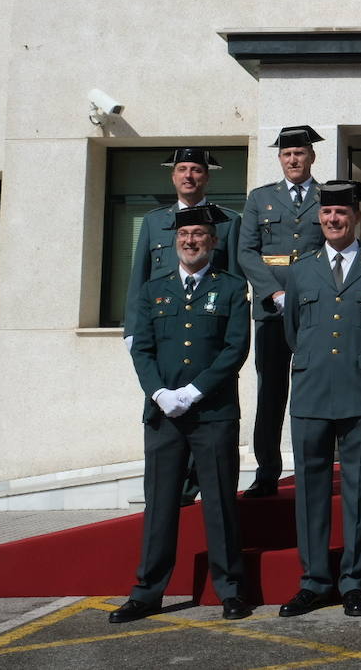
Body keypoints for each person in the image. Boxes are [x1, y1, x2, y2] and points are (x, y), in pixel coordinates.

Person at [111, 204, 250, 624]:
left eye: (200, 235)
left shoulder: (230, 289)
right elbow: (142, 348)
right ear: (176, 242)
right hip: (164, 415)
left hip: (213, 413)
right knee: (161, 504)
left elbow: (235, 349)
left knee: (221, 504)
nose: (191, 241)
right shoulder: (154, 290)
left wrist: (194, 391)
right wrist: (158, 392)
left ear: (213, 242)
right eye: (185, 235)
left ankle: (231, 590)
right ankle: (147, 592)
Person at [277, 181, 361, 619]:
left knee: (359, 490)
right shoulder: (300, 270)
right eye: (327, 213)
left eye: (342, 214)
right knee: (310, 491)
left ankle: (354, 581)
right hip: (311, 391)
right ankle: (313, 581)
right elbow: (293, 330)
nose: (334, 220)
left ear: (355, 218)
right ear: (319, 218)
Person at [123, 147, 241, 506]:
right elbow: (139, 276)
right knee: (166, 421)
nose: (188, 176)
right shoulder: (153, 221)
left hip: (208, 334)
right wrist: (132, 330)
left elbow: (233, 276)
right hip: (162, 334)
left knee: (206, 416)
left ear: (207, 177)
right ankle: (178, 492)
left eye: (196, 170)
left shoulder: (227, 220)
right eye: (182, 170)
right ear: (173, 176)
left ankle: (195, 486)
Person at [237, 125, 326, 499]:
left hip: (314, 310)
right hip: (271, 311)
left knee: (312, 393)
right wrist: (273, 292)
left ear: (311, 157)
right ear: (279, 159)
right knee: (271, 393)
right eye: (287, 154)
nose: (294, 160)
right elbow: (246, 251)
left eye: (300, 153)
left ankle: (311, 468)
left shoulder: (327, 196)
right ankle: (267, 472)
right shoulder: (261, 198)